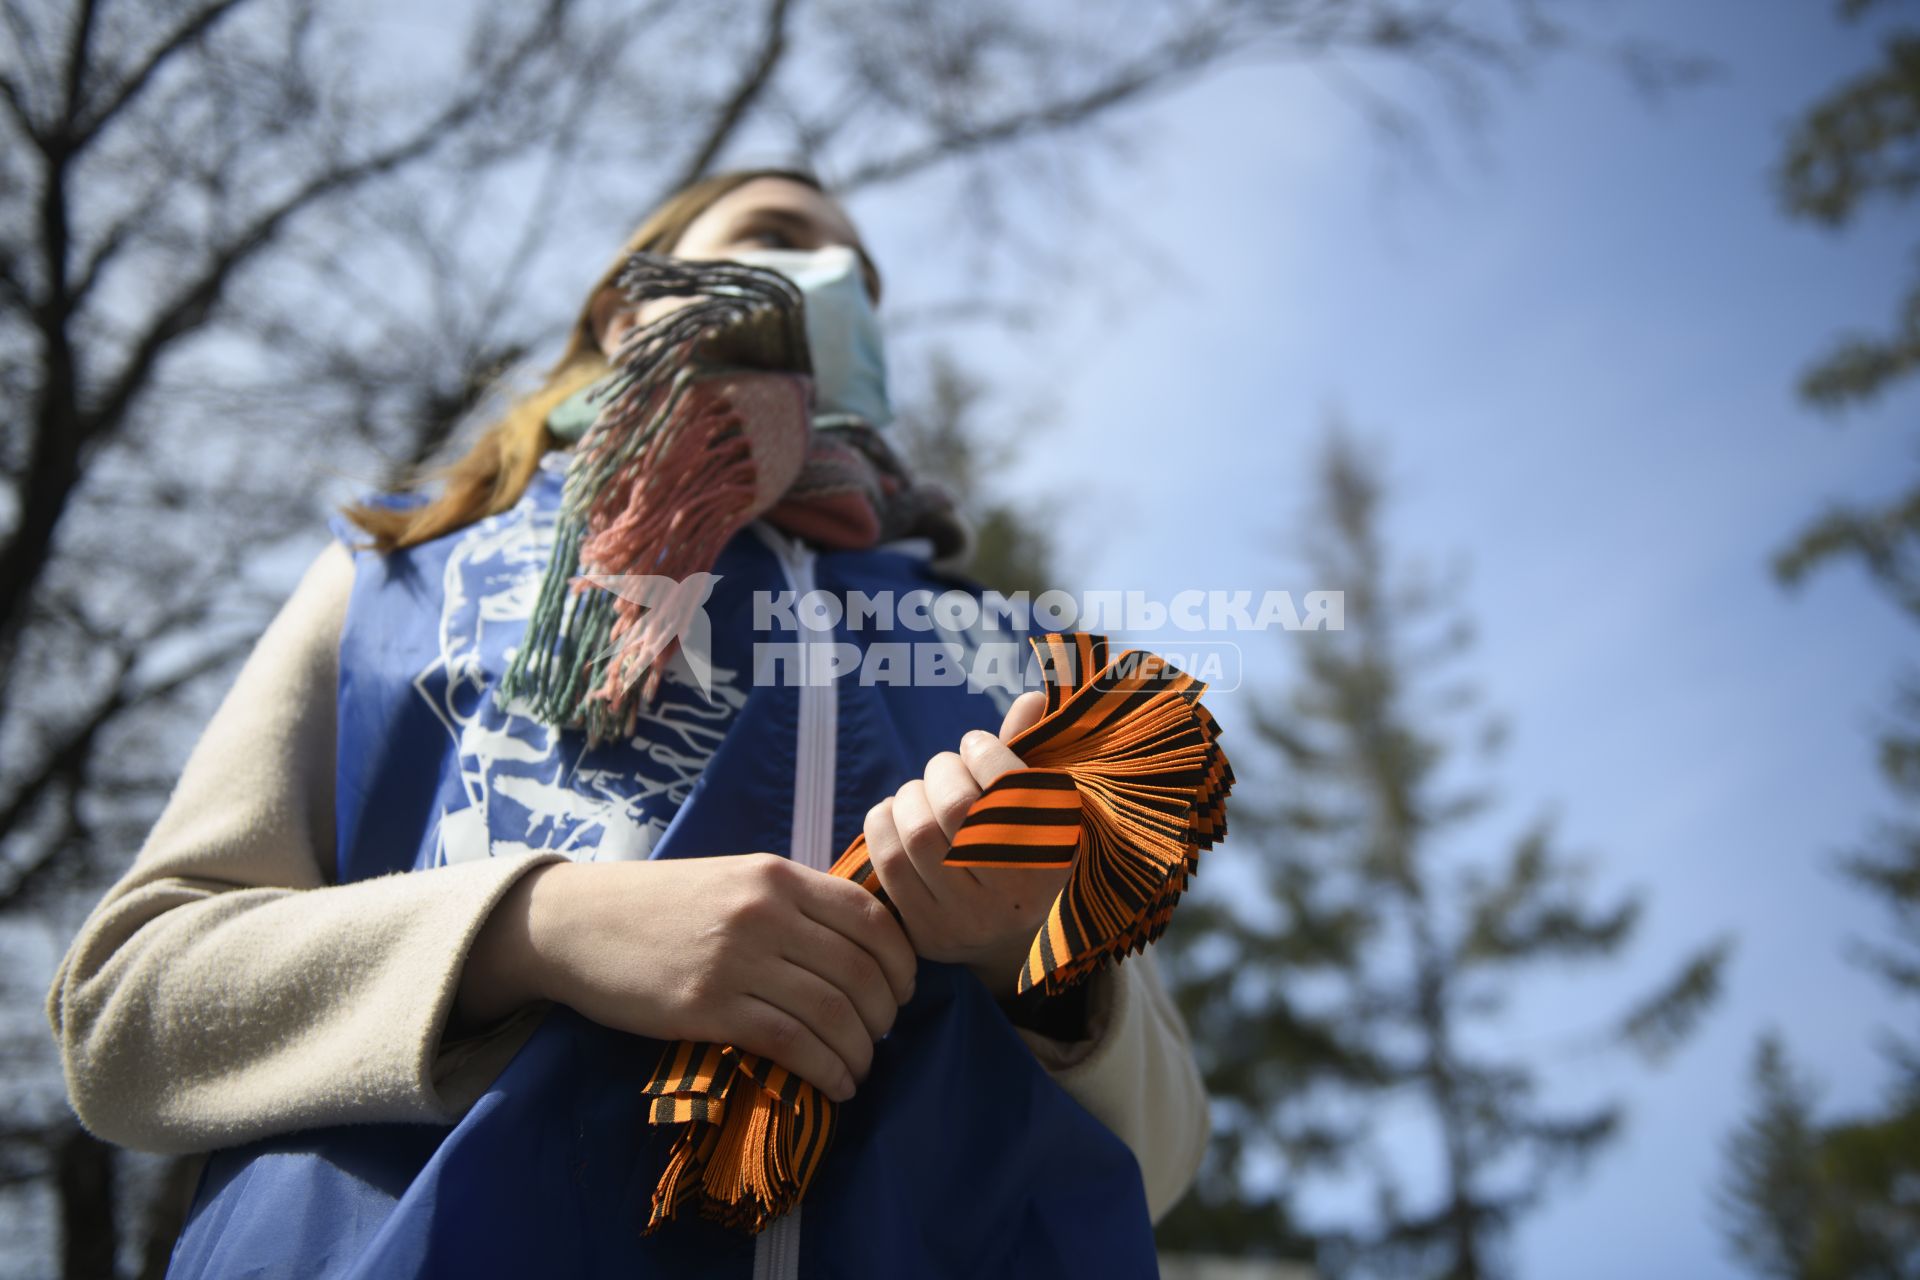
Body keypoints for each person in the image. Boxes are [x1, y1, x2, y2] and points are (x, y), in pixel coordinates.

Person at [46, 166, 1210, 1278]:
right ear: (624, 305)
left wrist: (1037, 961)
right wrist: (539, 928)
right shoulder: (399, 578)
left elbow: (1166, 1146)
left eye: (861, 270)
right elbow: (128, 1010)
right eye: (784, 235)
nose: (836, 278)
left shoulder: (1005, 651)